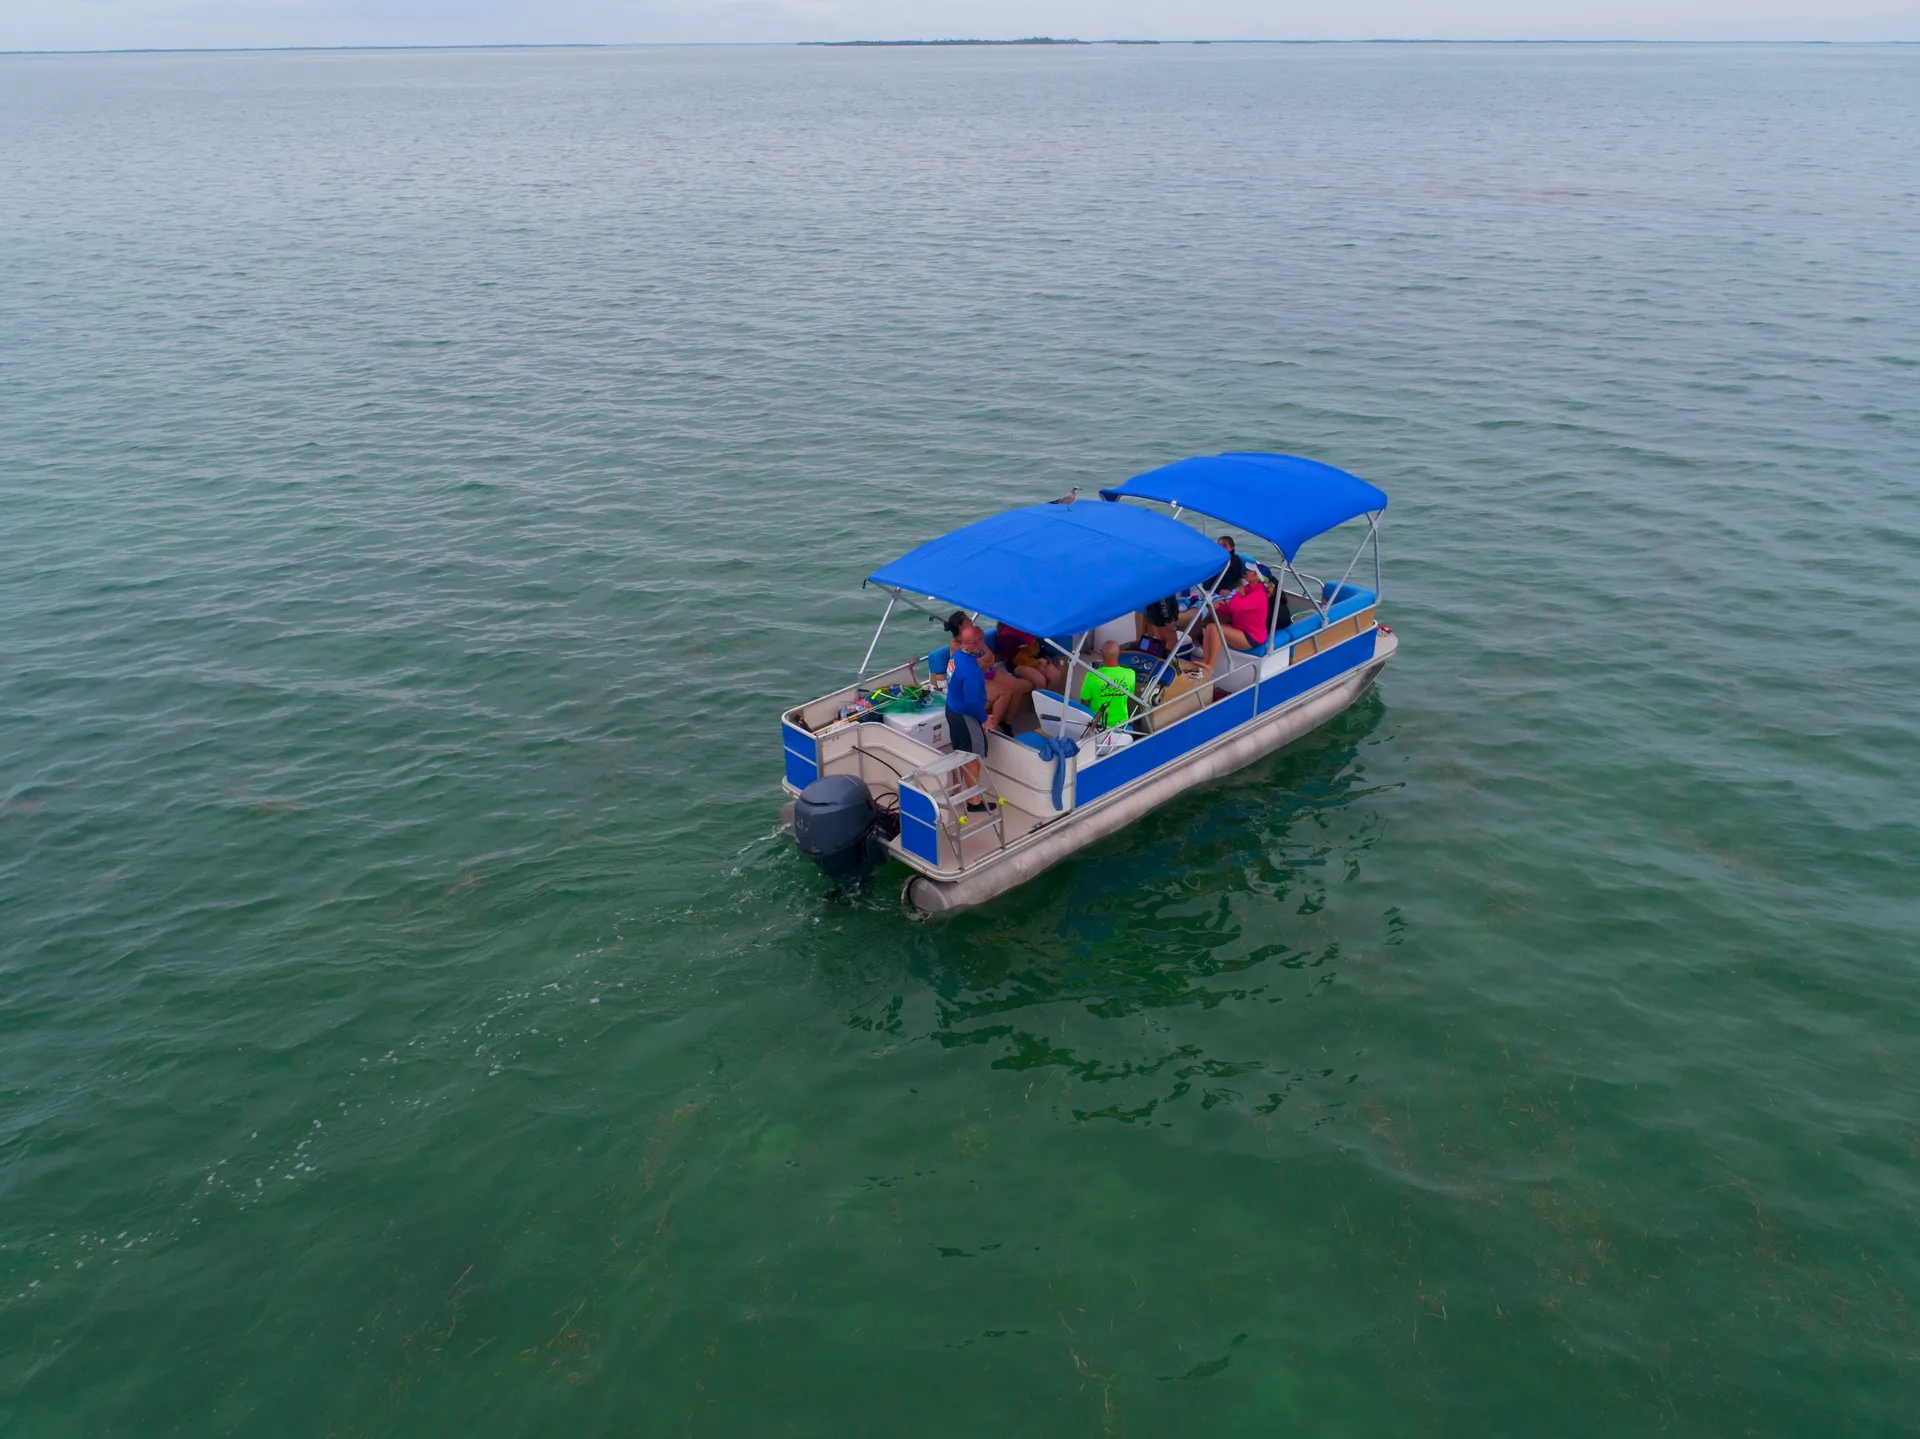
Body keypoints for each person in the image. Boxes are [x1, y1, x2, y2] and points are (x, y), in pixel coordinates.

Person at [945, 611, 1032, 728]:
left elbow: (990, 656)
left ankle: (1007, 723)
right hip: (974, 680)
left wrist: (983, 662)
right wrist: (983, 662)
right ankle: (993, 726)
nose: (971, 621)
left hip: (988, 671)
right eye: (967, 620)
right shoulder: (955, 646)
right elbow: (971, 669)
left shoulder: (974, 636)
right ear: (961, 627)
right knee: (1005, 692)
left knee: (1018, 689)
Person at [943, 624, 993, 813]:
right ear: (977, 642)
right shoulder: (970, 669)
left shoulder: (957, 656)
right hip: (966, 716)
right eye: (982, 638)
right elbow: (971, 702)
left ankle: (956, 792)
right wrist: (984, 718)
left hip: (952, 710)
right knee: (973, 757)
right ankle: (974, 802)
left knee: (960, 752)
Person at [1199, 566, 1273, 673]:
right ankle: (1205, 661)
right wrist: (1219, 607)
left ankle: (1210, 666)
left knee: (1216, 629)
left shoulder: (1258, 595)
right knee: (1210, 627)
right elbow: (1231, 610)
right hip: (1241, 629)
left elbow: (1234, 606)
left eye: (1250, 571)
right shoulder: (1248, 589)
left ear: (1257, 577)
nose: (1246, 571)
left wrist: (1238, 593)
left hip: (1252, 637)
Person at [1078, 640, 1138, 730]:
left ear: (1102, 654)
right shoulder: (1131, 673)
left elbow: (1084, 701)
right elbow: (1129, 696)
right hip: (1122, 724)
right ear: (1118, 654)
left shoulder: (1092, 675)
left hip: (1098, 724)